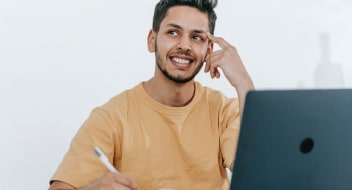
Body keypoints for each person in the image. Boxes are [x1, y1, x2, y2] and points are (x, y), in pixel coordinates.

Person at [49, 0, 254, 189]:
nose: (184, 45)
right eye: (173, 32)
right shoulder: (111, 117)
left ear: (209, 50)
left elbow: (260, 175)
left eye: (196, 37)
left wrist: (244, 85)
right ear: (151, 40)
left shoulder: (226, 112)